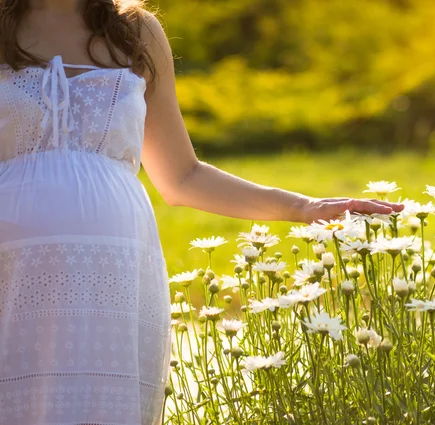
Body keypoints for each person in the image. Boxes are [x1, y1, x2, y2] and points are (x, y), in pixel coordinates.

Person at [0, 0, 404, 424]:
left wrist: (304, 207)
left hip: (115, 273)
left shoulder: (134, 32)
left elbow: (182, 175)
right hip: (13, 270)